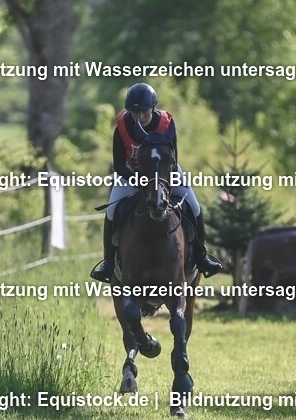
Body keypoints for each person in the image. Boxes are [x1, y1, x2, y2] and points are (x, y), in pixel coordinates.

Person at [90, 82, 224, 283]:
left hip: (165, 172)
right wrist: (140, 180)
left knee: (195, 207)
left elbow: (174, 158)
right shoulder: (122, 127)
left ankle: (201, 256)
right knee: (111, 211)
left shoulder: (166, 124)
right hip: (131, 173)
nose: (139, 118)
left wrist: (162, 181)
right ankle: (108, 262)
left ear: (153, 108)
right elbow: (119, 165)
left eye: (144, 112)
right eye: (134, 113)